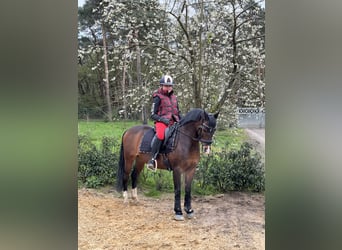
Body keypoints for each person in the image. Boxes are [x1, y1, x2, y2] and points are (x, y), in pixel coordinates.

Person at [146, 74, 181, 171]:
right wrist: (163, 120)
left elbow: (178, 112)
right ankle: (152, 160)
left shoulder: (174, 97)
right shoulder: (157, 97)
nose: (168, 87)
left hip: (174, 122)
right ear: (161, 86)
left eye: (170, 86)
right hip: (161, 122)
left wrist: (182, 120)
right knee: (161, 135)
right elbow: (153, 114)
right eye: (166, 85)